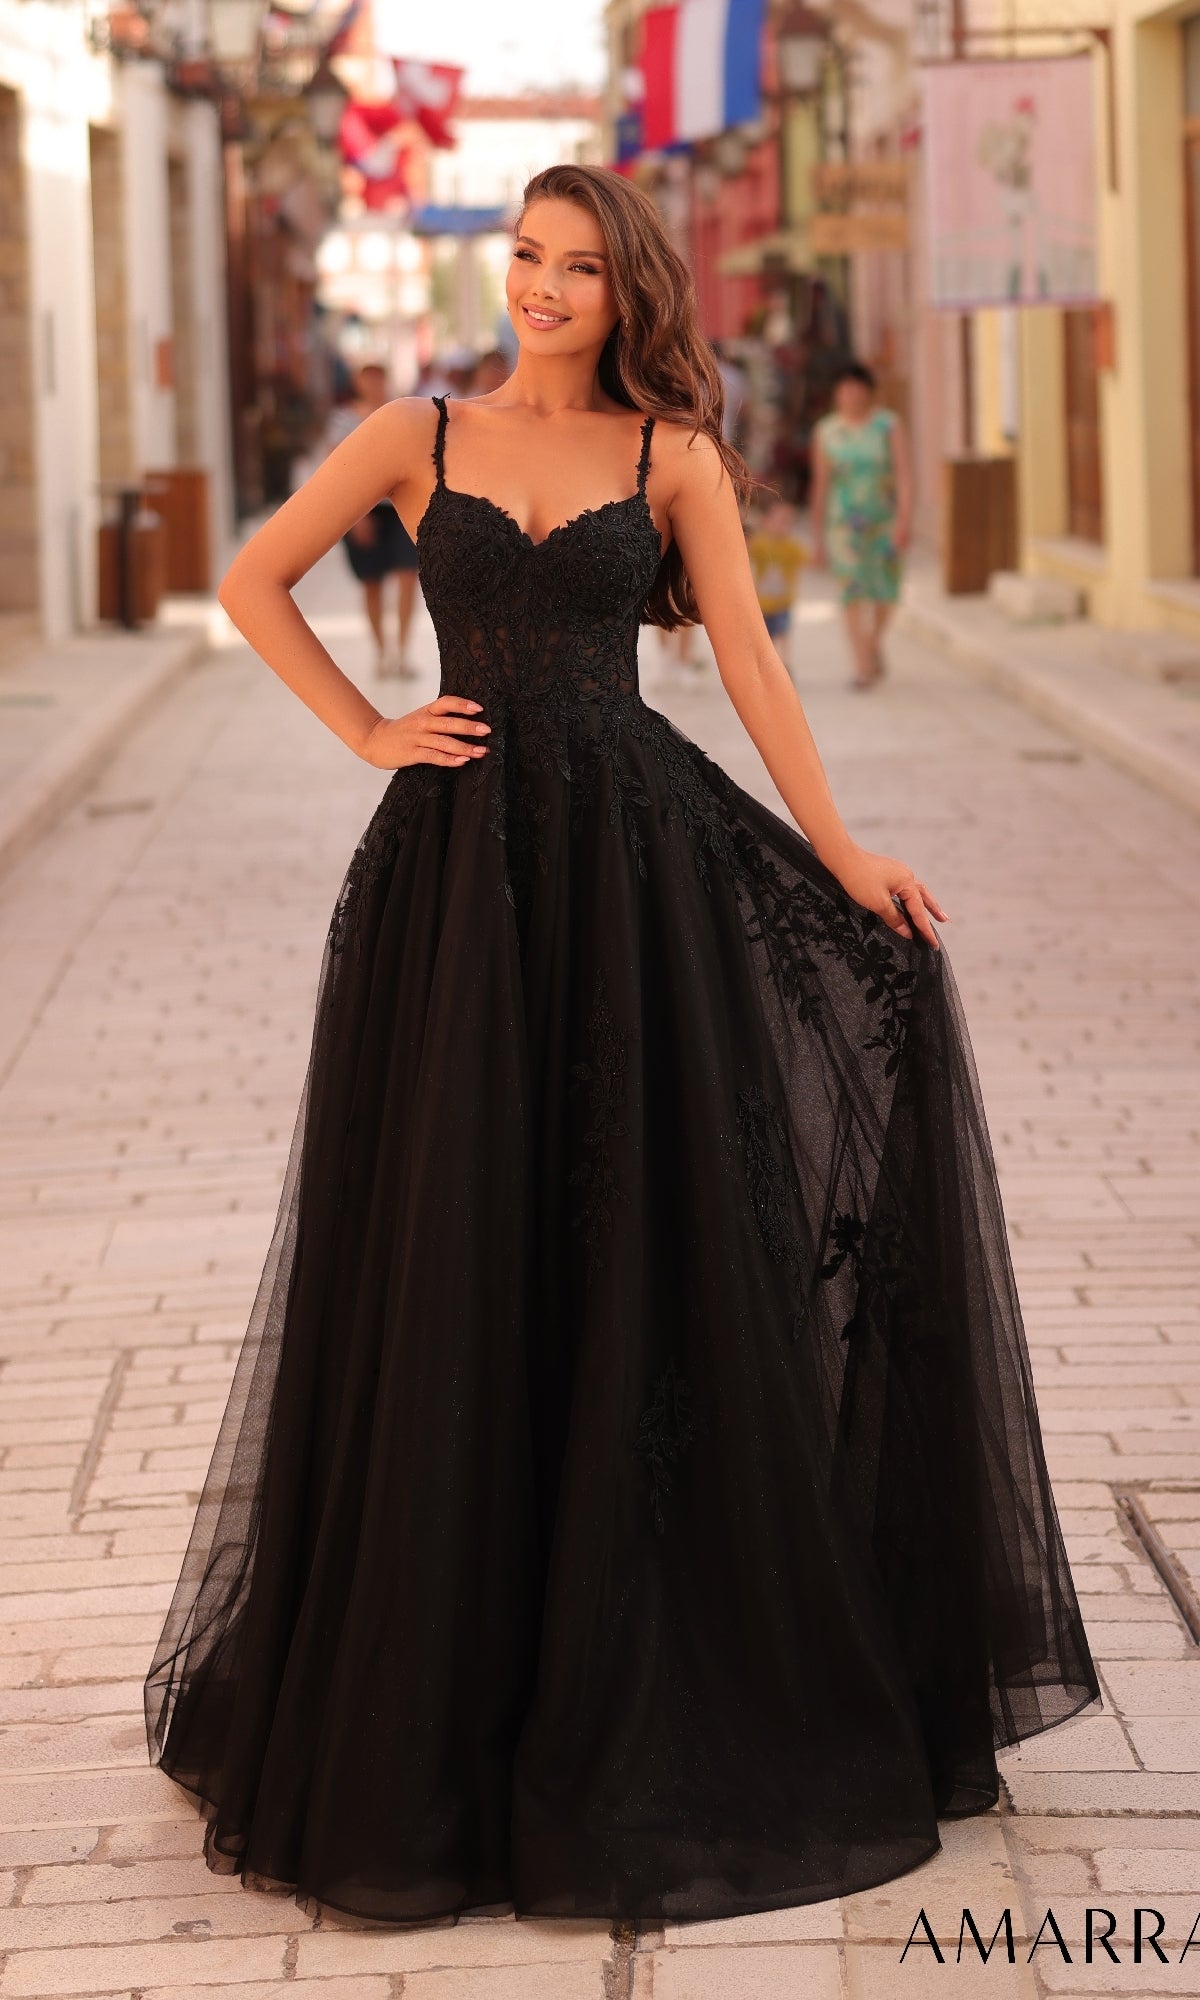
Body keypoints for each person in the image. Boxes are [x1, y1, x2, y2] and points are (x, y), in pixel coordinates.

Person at [145, 163, 1099, 1930]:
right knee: (450, 1242)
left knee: (626, 1238)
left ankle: (639, 1669)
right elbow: (253, 576)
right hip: (452, 890)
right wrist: (366, 729)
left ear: (627, 288)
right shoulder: (416, 432)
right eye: (525, 256)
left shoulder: (673, 458)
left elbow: (751, 664)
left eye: (578, 266)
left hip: (631, 880)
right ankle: (435, 1693)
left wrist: (842, 854)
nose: (541, 286)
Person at [811, 362, 912, 690]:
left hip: (884, 522)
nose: (851, 394)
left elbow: (903, 474)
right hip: (843, 526)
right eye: (845, 388)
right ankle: (862, 666)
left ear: (868, 392)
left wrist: (904, 519)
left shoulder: (888, 425)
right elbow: (821, 485)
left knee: (886, 591)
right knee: (851, 592)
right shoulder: (827, 431)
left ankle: (872, 642)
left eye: (857, 387)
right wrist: (818, 538)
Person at [325, 362, 420, 678]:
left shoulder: (401, 414)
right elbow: (335, 467)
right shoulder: (343, 419)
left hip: (400, 508)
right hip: (362, 510)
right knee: (372, 582)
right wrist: (354, 516)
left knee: (408, 575)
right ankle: (381, 651)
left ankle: (402, 652)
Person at [746, 495, 808, 676]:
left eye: (787, 522)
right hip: (763, 604)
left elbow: (808, 559)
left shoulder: (792, 546)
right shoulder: (760, 543)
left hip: (783, 602)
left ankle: (784, 663)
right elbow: (746, 550)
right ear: (766, 521)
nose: (783, 526)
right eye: (779, 521)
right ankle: (768, 665)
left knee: (782, 633)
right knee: (766, 637)